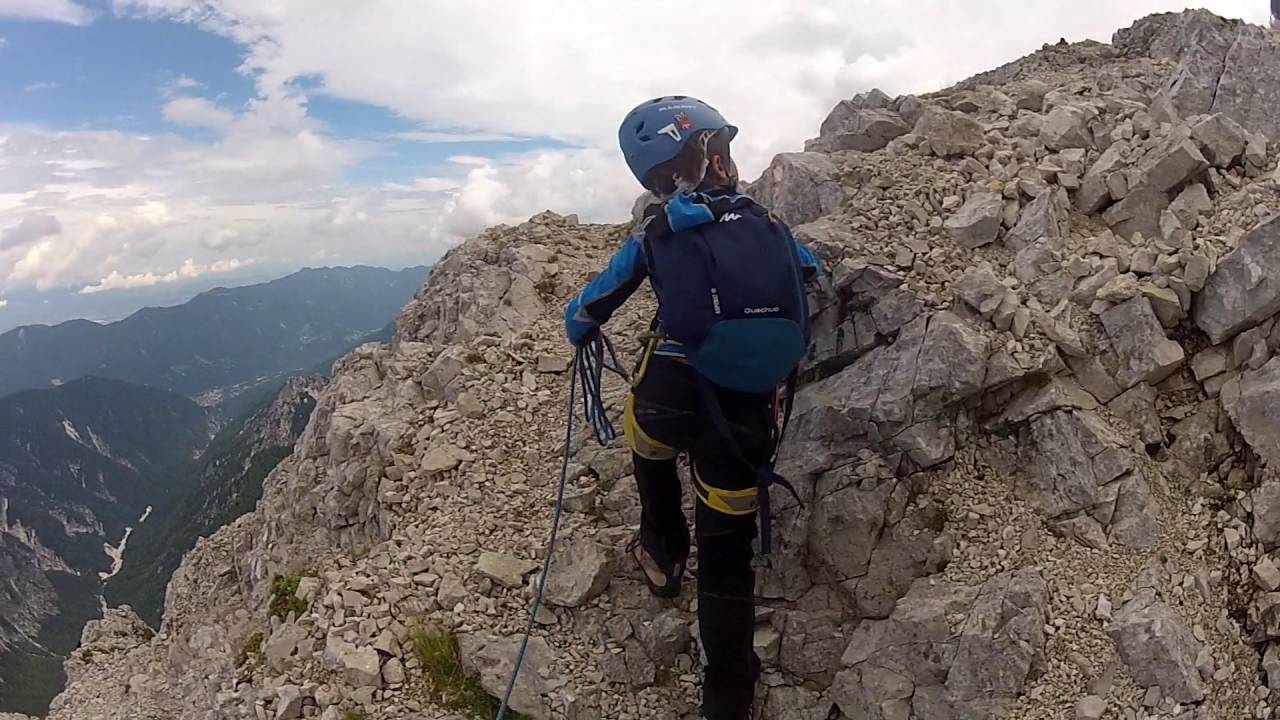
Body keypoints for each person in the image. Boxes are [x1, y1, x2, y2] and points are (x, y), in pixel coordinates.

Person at [564, 96, 823, 719]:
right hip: (744, 416)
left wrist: (581, 329)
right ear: (708, 155)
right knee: (727, 554)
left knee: (647, 442)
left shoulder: (656, 233)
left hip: (669, 394)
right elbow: (811, 273)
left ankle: (660, 549)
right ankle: (727, 697)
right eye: (722, 147)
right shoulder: (766, 224)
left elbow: (588, 309)